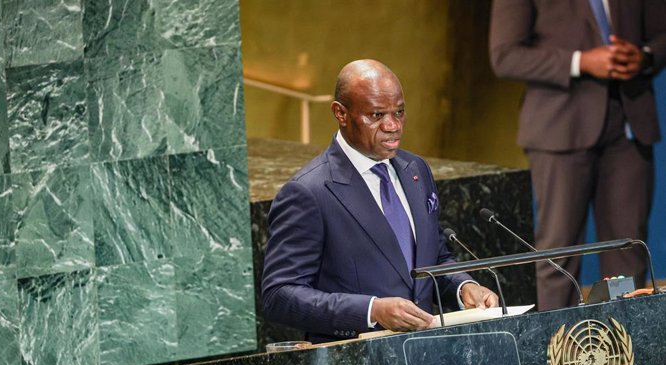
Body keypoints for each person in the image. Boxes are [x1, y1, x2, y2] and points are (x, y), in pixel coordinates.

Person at [262, 59, 498, 343]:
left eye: (399, 112)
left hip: (426, 357)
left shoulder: (416, 170)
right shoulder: (309, 192)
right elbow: (279, 295)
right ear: (341, 113)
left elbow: (432, 258)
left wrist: (463, 287)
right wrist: (372, 310)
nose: (392, 125)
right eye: (376, 115)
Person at [489, 0, 666, 310]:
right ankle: (561, 352)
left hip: (628, 126)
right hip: (560, 127)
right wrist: (579, 62)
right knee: (558, 257)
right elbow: (505, 56)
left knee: (626, 253)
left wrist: (645, 57)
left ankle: (619, 348)